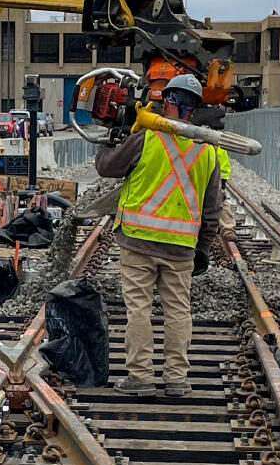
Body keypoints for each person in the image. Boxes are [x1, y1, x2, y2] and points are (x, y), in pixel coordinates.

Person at [94, 73, 223, 398]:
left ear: (165, 100)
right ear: (193, 110)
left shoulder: (147, 138)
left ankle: (141, 377)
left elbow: (107, 167)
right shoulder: (207, 152)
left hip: (138, 241)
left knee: (139, 308)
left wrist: (114, 138)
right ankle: (176, 380)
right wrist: (203, 249)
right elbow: (212, 210)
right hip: (180, 248)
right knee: (178, 311)